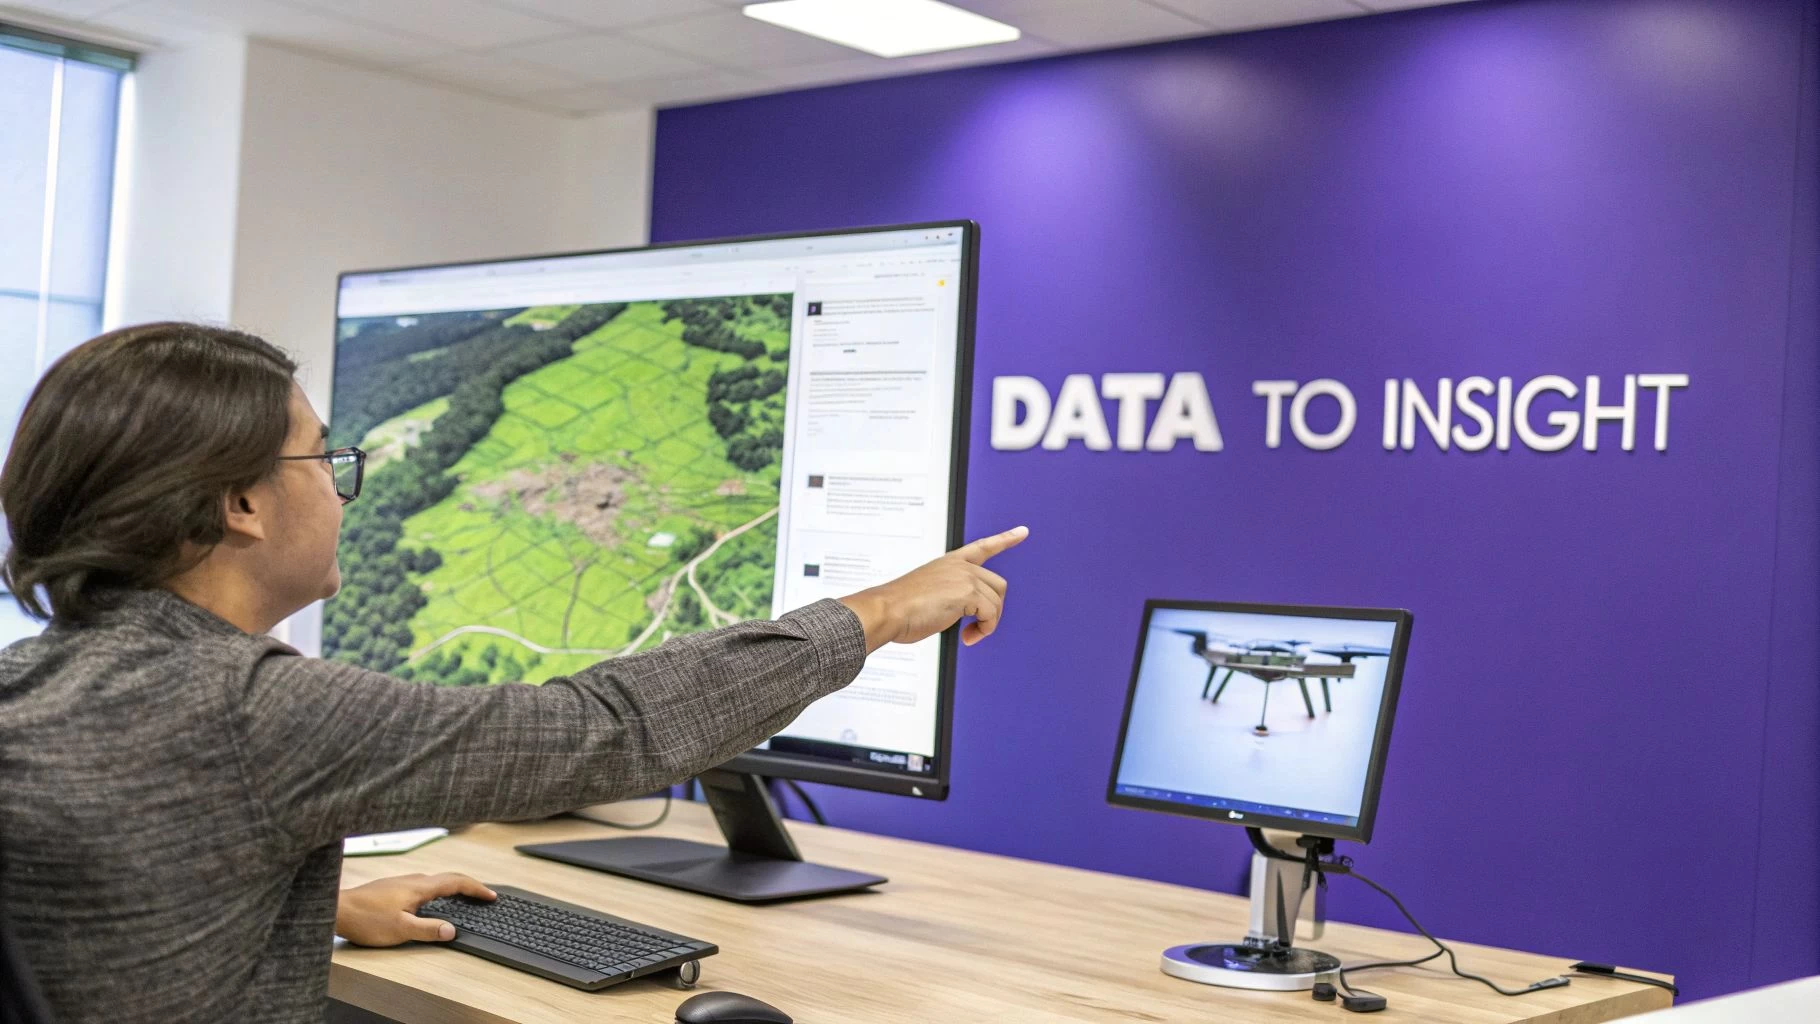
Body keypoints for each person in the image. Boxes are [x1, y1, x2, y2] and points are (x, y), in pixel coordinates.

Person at [0, 322, 1026, 1024]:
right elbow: (602, 729)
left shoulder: (29, 686)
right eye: (324, 459)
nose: (343, 490)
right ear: (241, 503)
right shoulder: (246, 709)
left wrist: (304, 901)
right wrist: (877, 611)